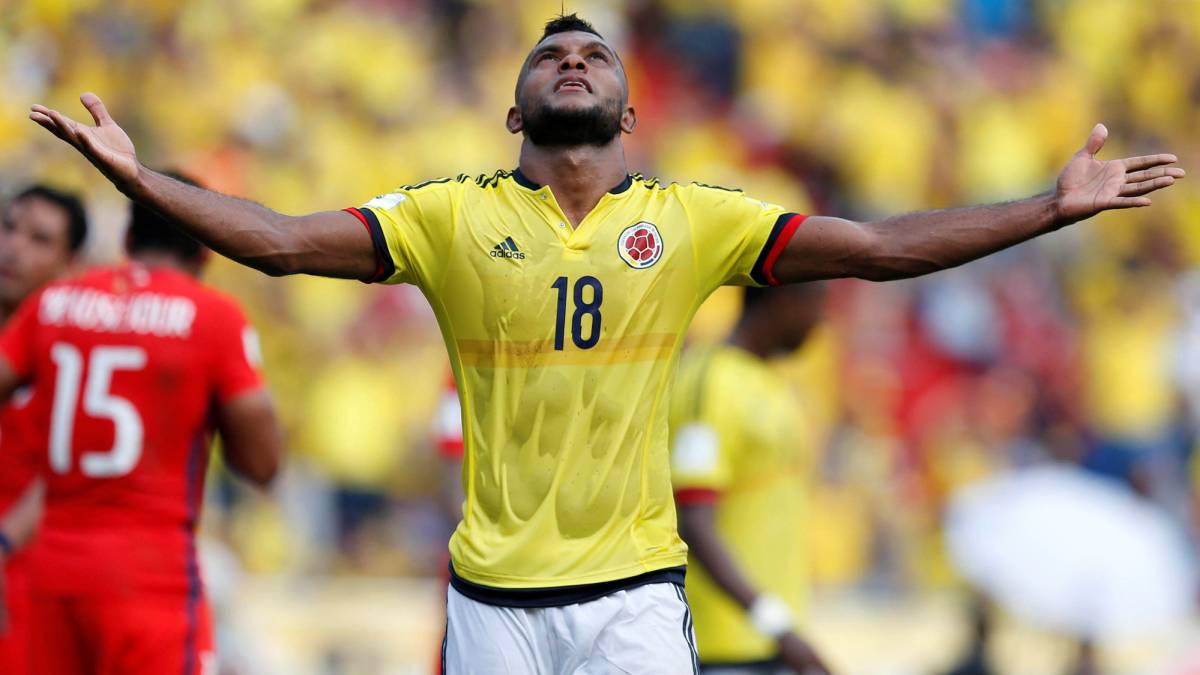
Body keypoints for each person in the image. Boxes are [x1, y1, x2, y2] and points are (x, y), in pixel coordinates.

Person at [27, 12, 1183, 673]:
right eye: (549, 56)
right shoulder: (447, 214)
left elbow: (878, 247)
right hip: (490, 596)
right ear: (514, 111)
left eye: (595, 57)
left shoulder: (694, 220)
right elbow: (279, 242)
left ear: (632, 116)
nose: (572, 58)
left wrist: (1046, 207)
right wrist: (143, 183)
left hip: (633, 594)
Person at [0, 189, 285, 675]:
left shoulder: (52, 305)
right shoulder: (212, 316)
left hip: (51, 569)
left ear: (127, 239)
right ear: (206, 251)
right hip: (148, 575)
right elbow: (262, 465)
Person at [671, 284, 830, 675]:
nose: (820, 320)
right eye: (815, 302)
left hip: (775, 642)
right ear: (781, 300)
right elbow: (693, 521)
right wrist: (773, 622)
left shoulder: (770, 381)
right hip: (723, 649)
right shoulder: (711, 382)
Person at [0, 185, 88, 675]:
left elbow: (67, 470)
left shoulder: (76, 350)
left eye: (39, 239)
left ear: (69, 262)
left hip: (30, 575)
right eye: (9, 228)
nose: (13, 248)